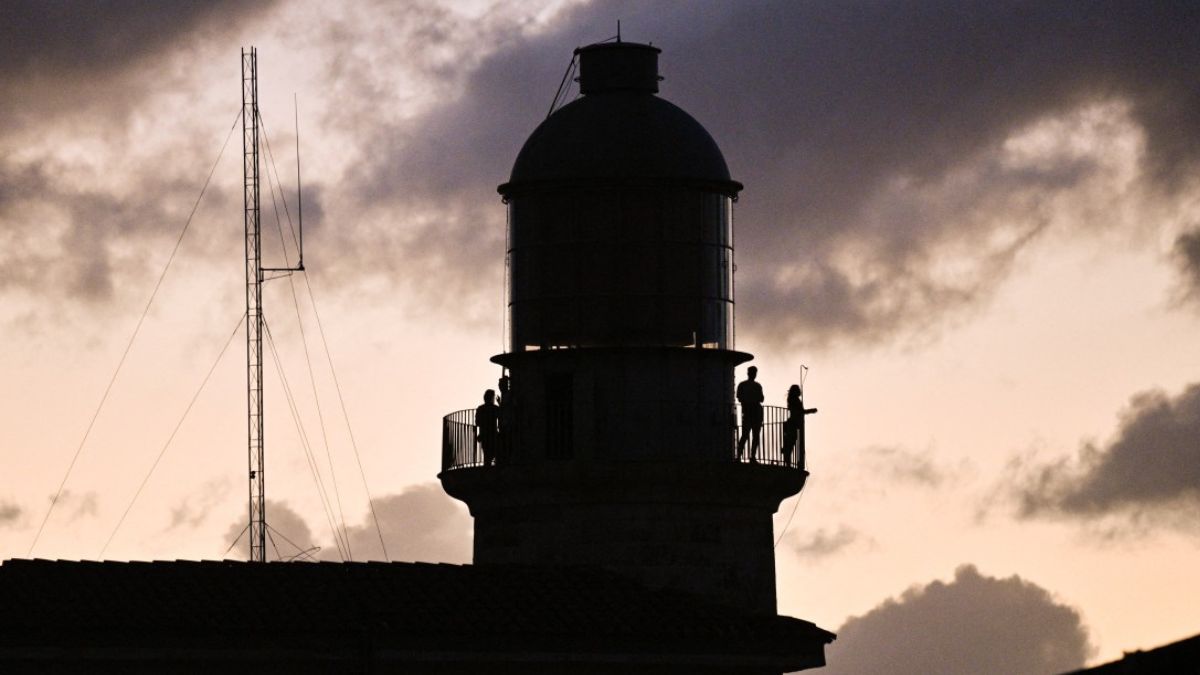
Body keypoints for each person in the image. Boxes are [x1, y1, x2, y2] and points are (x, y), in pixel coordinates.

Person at [783, 384, 818, 468]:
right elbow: (800, 411)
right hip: (793, 423)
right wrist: (811, 411)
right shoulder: (795, 400)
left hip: (792, 423)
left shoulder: (792, 399)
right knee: (790, 443)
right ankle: (787, 463)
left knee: (790, 443)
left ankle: (787, 462)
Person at [736, 366, 764, 461]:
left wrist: (747, 400)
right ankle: (750, 456)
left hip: (749, 413)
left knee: (746, 436)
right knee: (752, 436)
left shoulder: (742, 385)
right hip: (754, 413)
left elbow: (739, 398)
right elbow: (761, 398)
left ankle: (740, 456)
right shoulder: (757, 386)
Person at [475, 389, 499, 466]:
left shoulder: (480, 408)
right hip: (493, 435)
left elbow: (477, 422)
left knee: (487, 456)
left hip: (484, 435)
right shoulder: (495, 408)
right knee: (496, 455)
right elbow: (502, 416)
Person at [497, 375, 513, 463]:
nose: (499, 386)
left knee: (506, 441)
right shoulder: (506, 395)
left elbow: (507, 407)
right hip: (504, 422)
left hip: (507, 422)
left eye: (500, 384)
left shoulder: (508, 395)